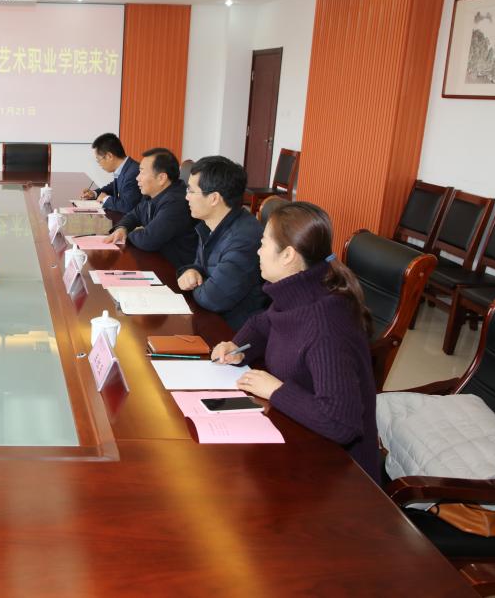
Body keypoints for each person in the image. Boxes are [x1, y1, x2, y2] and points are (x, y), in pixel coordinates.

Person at [211, 202, 379, 481]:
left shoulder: (326, 326)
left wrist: (276, 390)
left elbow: (341, 423)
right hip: (296, 432)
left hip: (338, 472)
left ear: (288, 255)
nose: (258, 251)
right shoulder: (300, 288)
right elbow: (264, 323)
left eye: (263, 244)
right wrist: (237, 347)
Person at [178, 156, 267, 329]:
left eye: (191, 191)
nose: (186, 197)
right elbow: (200, 266)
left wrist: (197, 282)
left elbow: (213, 298)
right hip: (213, 319)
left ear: (214, 198)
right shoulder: (210, 225)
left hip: (234, 332)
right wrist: (190, 271)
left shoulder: (244, 239)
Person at [103, 148, 198, 268]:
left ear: (161, 178)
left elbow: (148, 239)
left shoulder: (176, 203)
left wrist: (128, 234)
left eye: (142, 172)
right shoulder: (152, 194)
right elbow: (133, 215)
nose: (137, 178)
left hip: (176, 270)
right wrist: (122, 228)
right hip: (157, 259)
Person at [80, 133, 141, 214]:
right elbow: (114, 187)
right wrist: (95, 193)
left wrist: (105, 199)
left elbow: (127, 206)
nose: (99, 164)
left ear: (109, 156)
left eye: (99, 160)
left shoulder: (133, 173)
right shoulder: (125, 167)